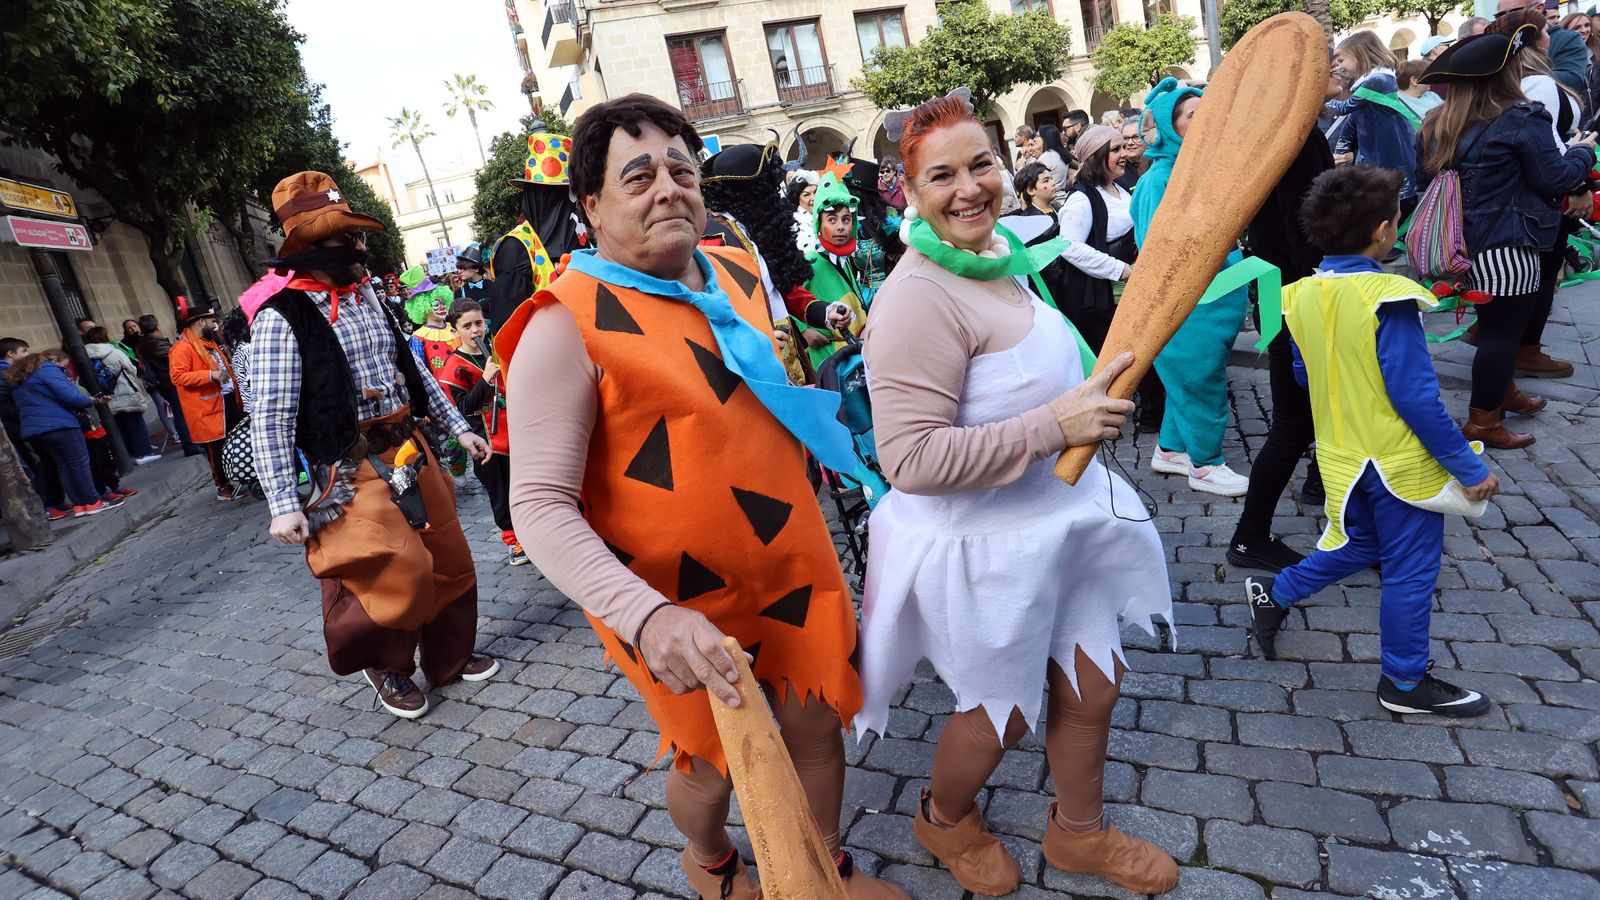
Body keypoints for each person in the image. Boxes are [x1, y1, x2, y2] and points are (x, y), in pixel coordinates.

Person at [503, 94, 903, 899]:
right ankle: (711, 856)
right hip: (667, 600)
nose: (668, 189)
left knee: (816, 716)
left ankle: (820, 869)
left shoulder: (736, 270)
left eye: (682, 171)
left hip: (789, 559)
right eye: (638, 175)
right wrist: (646, 617)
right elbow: (538, 507)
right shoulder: (560, 326)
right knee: (711, 758)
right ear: (590, 204)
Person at [858, 88, 1177, 897]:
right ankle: (943, 816)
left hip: (1058, 524)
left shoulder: (1001, 255)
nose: (969, 188)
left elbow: (1033, 377)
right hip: (982, 547)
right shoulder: (916, 298)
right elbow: (909, 460)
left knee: (1094, 680)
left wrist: (1098, 391)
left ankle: (1078, 833)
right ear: (910, 190)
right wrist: (1053, 425)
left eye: (981, 164)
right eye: (942, 176)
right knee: (999, 712)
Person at [1245, 165, 1498, 717]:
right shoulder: (1388, 295)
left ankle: (1276, 594)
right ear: (1384, 230)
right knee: (1410, 570)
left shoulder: (1298, 295)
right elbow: (1415, 395)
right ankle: (1404, 684)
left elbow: (1306, 373)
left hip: (1341, 456)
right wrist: (1466, 465)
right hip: (1395, 460)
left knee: (1363, 546)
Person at [249, 170, 498, 720]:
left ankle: (450, 659)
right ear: (311, 246)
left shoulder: (368, 298)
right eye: (346, 238)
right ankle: (383, 663)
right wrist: (282, 504)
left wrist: (458, 428)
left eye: (358, 235)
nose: (359, 246)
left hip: (410, 446)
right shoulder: (279, 318)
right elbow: (268, 416)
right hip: (347, 464)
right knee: (392, 566)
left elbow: (414, 371)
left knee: (449, 556)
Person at [1416, 26, 1596, 449]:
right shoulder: (1521, 118)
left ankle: (1502, 396)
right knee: (1501, 336)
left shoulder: (1438, 121)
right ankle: (1483, 423)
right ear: (1506, 74)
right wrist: (1583, 150)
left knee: (1498, 329)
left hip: (1466, 243)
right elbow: (1557, 178)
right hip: (1510, 244)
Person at [1228, 123, 1338, 573]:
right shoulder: (1292, 134)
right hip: (1297, 294)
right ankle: (1250, 536)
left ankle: (1320, 484)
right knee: (1296, 420)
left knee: (1316, 411)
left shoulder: (1271, 133)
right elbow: (1306, 226)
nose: (1332, 59)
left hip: (1279, 291)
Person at [1134, 79, 1251, 497]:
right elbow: (1158, 250)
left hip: (1212, 301)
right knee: (1199, 382)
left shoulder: (1194, 171)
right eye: (1192, 116)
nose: (1205, 123)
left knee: (1189, 380)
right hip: (1191, 306)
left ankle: (1170, 450)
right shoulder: (1159, 179)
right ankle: (1205, 464)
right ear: (1169, 126)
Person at [1493, 8, 1592, 382]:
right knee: (1539, 278)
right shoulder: (1539, 85)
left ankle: (1516, 351)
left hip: (1528, 195)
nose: (1553, 34)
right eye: (1546, 29)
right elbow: (1545, 149)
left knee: (1532, 281)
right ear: (1535, 40)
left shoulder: (1522, 80)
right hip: (1541, 198)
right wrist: (1579, 176)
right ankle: (1523, 352)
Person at [437, 299, 525, 566]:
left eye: (478, 323)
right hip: (485, 438)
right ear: (455, 331)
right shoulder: (453, 367)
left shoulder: (492, 351)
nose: (475, 330)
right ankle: (513, 541)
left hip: (512, 430)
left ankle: (533, 532)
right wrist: (486, 379)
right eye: (467, 326)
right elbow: (462, 407)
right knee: (500, 490)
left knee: (521, 485)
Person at [485, 123, 584, 334]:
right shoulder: (516, 248)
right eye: (555, 195)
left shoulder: (583, 238)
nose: (570, 203)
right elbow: (507, 330)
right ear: (536, 197)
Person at [5, 350, 117, 517]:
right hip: (59, 424)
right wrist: (92, 400)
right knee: (79, 463)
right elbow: (71, 396)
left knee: (64, 465)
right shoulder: (46, 369)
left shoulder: (19, 378)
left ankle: (80, 505)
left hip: (34, 429)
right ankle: (92, 501)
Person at [1055, 125, 1135, 353]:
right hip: (1103, 303)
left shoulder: (1119, 188)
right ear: (1096, 156)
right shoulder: (1081, 199)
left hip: (1128, 296)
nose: (1125, 155)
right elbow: (1069, 247)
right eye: (1116, 149)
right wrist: (1123, 270)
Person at [1325, 32, 1420, 214]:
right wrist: (1341, 147)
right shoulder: (1373, 81)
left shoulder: (1377, 80)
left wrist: (1322, 97)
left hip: (1385, 146)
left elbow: (1346, 108)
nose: (1340, 66)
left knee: (1390, 197)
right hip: (1373, 143)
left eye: (1342, 61)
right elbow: (1353, 120)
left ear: (1360, 57)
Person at [168, 297, 244, 500]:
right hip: (207, 407)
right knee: (216, 448)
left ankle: (240, 476)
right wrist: (210, 375)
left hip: (225, 400)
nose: (214, 324)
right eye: (211, 321)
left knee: (232, 441)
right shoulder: (182, 348)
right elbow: (177, 376)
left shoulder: (208, 342)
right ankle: (223, 486)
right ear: (200, 322)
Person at [83, 326, 160, 464]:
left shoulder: (84, 356)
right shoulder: (114, 352)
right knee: (135, 424)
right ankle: (143, 453)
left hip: (106, 397)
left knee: (120, 427)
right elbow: (131, 369)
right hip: (125, 391)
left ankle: (129, 455)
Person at [136, 314, 201, 457]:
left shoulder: (144, 343)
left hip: (166, 383)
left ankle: (191, 442)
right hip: (170, 382)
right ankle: (190, 444)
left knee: (181, 414)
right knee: (182, 415)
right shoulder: (154, 342)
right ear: (157, 326)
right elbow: (174, 358)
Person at [399, 266, 460, 378]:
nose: (442, 307)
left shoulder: (455, 328)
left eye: (442, 302)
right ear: (423, 307)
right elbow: (421, 374)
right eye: (436, 304)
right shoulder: (418, 338)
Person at [220, 307, 254, 416]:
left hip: (252, 408)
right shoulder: (247, 349)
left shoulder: (240, 349)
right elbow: (249, 383)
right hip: (258, 408)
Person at [1034, 124, 1072, 205]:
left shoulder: (1046, 157)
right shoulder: (1059, 154)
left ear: (1045, 138)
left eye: (1038, 136)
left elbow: (1032, 179)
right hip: (1062, 197)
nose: (1035, 139)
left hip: (1052, 200)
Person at [787, 172, 821, 256]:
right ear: (797, 199)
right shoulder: (794, 224)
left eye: (816, 192)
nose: (814, 198)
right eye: (807, 195)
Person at [1116, 115, 1147, 190]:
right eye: (1126, 138)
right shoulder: (1116, 170)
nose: (1130, 143)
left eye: (1136, 137)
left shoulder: (1156, 164)